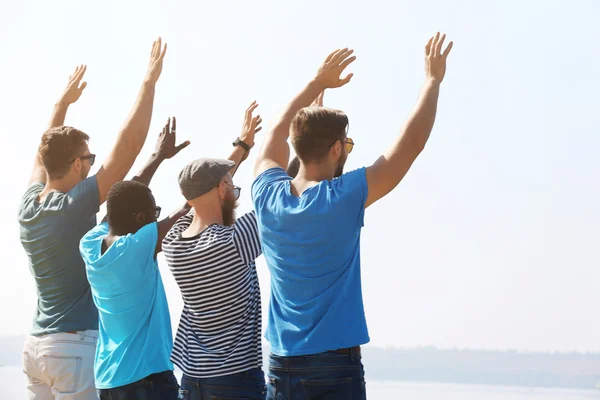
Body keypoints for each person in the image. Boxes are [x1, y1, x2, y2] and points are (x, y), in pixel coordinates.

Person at [252, 33, 453, 399]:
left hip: (281, 362)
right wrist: (432, 80)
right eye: (344, 144)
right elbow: (410, 145)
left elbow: (274, 133)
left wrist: (315, 83)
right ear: (333, 148)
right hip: (333, 366)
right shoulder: (342, 198)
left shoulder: (267, 193)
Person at [18, 37, 168, 399]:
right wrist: (148, 83)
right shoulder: (73, 206)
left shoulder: (28, 205)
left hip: (35, 349)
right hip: (74, 348)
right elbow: (127, 148)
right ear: (75, 164)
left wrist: (60, 105)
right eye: (88, 157)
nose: (91, 163)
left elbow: (43, 156)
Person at [79, 118, 190, 400]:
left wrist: (157, 157)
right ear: (141, 218)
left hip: (108, 380)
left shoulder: (90, 243)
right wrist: (238, 153)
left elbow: (124, 196)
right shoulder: (138, 246)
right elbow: (188, 209)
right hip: (147, 380)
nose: (156, 217)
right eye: (154, 213)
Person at [162, 102, 266, 400]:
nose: (234, 191)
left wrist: (242, 146)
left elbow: (199, 193)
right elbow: (278, 198)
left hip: (192, 378)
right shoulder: (233, 242)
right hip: (234, 381)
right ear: (222, 189)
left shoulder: (174, 241)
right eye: (232, 186)